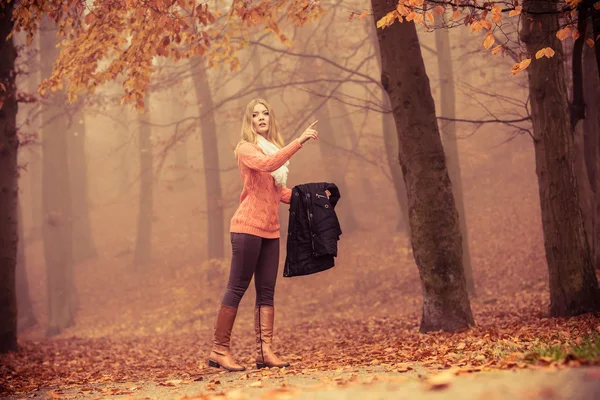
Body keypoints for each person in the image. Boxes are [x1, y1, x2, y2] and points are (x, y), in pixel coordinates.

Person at [207, 98, 320, 371]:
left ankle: (264, 352)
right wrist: (299, 141)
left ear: (270, 118)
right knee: (237, 287)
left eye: (265, 113)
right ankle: (219, 350)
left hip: (270, 231)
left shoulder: (272, 149)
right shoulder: (246, 149)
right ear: (249, 121)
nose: (261, 118)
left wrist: (314, 198)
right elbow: (268, 165)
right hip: (247, 228)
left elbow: (278, 192)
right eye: (255, 114)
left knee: (267, 291)